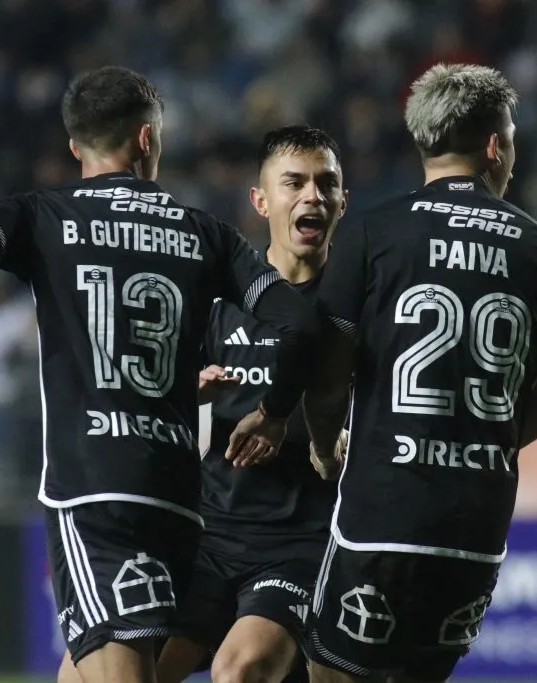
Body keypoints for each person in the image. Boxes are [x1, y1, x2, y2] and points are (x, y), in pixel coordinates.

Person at [0, 66, 323, 683]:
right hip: (180, 502)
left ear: (75, 147)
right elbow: (303, 326)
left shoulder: (42, 216)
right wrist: (276, 410)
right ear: (149, 139)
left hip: (95, 491)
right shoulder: (206, 234)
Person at [233, 63, 537, 682]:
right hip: (476, 525)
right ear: (496, 145)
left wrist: (323, 444)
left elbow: (329, 372)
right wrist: (478, 444)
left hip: (382, 512)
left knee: (335, 672)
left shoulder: (375, 231)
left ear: (423, 142)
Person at [153, 125, 347, 683]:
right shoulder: (218, 304)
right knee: (124, 669)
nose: (313, 195)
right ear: (261, 202)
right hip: (210, 534)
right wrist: (186, 393)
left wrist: (351, 436)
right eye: (295, 183)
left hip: (303, 541)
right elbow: (158, 400)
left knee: (240, 669)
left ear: (342, 202)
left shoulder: (359, 311)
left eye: (326, 183)